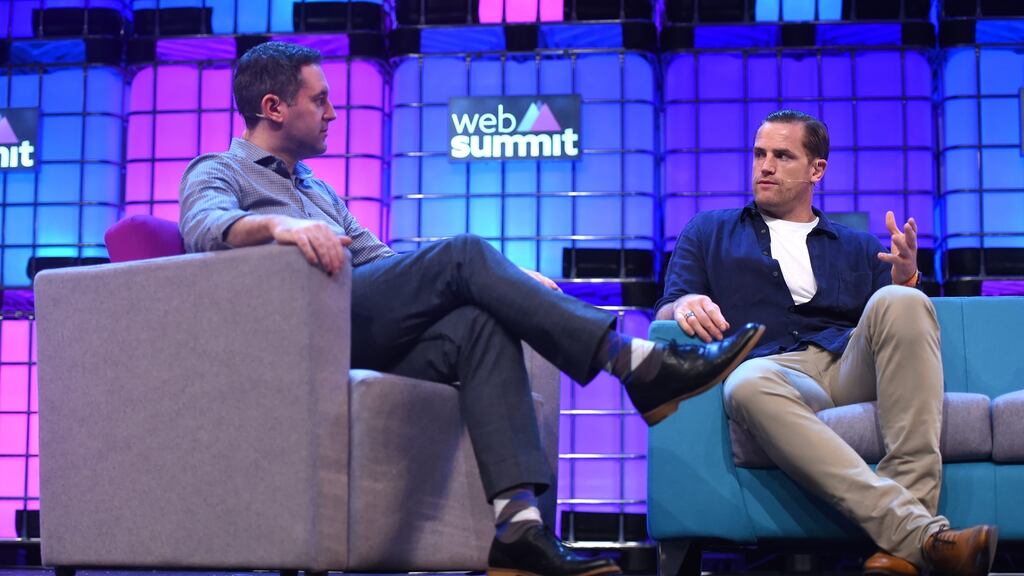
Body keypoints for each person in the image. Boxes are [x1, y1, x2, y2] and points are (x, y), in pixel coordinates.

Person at [178, 41, 763, 576]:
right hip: (306, 334)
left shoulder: (319, 188)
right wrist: (277, 224)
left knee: (480, 324)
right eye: (320, 100)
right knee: (463, 253)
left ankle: (518, 531)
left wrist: (505, 280)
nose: (332, 113)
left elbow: (381, 261)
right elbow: (202, 228)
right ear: (275, 107)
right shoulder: (218, 170)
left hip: (360, 320)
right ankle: (634, 362)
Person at [658, 109, 998, 576]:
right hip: (774, 369)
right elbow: (668, 307)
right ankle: (921, 538)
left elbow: (905, 337)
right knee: (745, 385)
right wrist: (684, 303)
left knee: (902, 300)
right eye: (759, 154)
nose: (765, 166)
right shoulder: (710, 231)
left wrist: (908, 279)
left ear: (816, 169)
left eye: (782, 155)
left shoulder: (857, 245)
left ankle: (903, 542)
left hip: (848, 365)